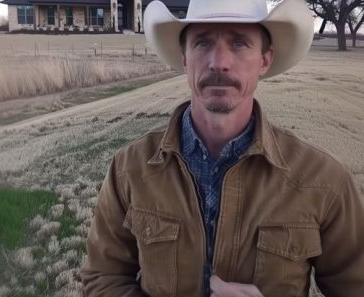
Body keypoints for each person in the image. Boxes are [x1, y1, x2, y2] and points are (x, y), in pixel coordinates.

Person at [81, 0, 364, 296]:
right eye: (202, 43)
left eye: (239, 43)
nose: (219, 62)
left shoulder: (325, 183)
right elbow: (103, 276)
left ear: (265, 61)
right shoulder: (130, 169)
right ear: (184, 58)